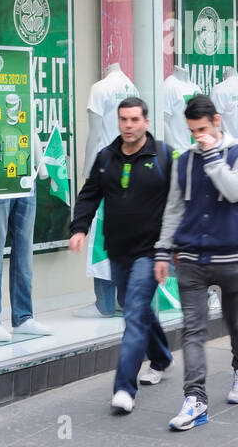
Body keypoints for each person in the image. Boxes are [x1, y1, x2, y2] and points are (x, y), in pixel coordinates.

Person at [154, 94, 238, 431]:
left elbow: (233, 191)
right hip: (191, 258)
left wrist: (212, 156)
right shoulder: (183, 162)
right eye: (191, 130)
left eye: (201, 128)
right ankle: (195, 399)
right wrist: (162, 250)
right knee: (192, 330)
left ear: (216, 121)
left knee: (236, 320)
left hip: (231, 257)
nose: (196, 136)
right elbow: (173, 209)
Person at [69, 97, 174, 414]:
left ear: (146, 122)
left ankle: (124, 389)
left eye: (134, 120)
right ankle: (162, 356)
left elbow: (177, 205)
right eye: (123, 120)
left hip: (150, 253)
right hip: (118, 252)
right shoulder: (106, 158)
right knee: (136, 309)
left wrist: (168, 251)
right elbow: (89, 195)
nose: (128, 125)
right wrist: (80, 228)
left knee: (132, 315)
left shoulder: (163, 157)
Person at [0, 139, 51, 342]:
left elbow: (31, 128)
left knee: (25, 248)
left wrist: (40, 166)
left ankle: (23, 316)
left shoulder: (24, 105)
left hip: (25, 169)